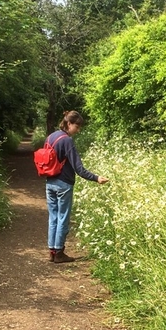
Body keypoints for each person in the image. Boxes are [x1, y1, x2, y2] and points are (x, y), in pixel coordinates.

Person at [45, 110, 109, 263]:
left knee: (53, 217)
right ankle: (59, 253)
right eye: (77, 126)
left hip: (49, 183)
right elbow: (78, 168)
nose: (78, 130)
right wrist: (96, 178)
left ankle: (52, 251)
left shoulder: (50, 137)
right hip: (63, 184)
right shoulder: (67, 140)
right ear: (68, 123)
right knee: (62, 218)